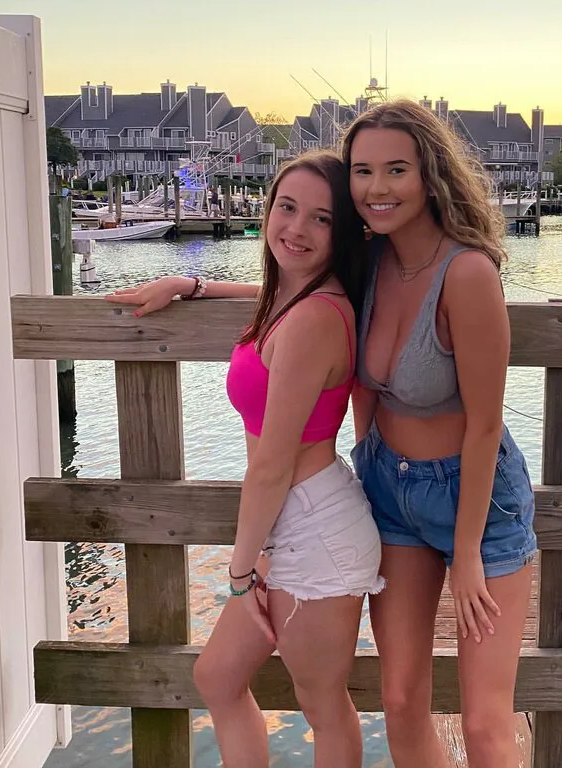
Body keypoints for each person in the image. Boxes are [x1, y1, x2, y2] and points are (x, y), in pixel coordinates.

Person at [105, 151, 384, 768]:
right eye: (287, 208)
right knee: (218, 678)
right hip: (288, 521)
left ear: (342, 232)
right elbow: (269, 290)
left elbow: (270, 468)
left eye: (321, 218)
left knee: (323, 704)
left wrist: (238, 576)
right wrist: (191, 285)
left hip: (315, 531)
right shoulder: (295, 297)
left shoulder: (313, 318)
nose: (297, 229)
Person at [341, 100, 537, 768]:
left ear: (429, 175)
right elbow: (287, 291)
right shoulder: (368, 261)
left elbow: (485, 424)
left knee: (484, 722)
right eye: (363, 171)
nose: (377, 187)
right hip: (389, 490)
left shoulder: (468, 274)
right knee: (399, 700)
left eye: (396, 169)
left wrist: (468, 553)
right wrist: (190, 282)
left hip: (477, 503)